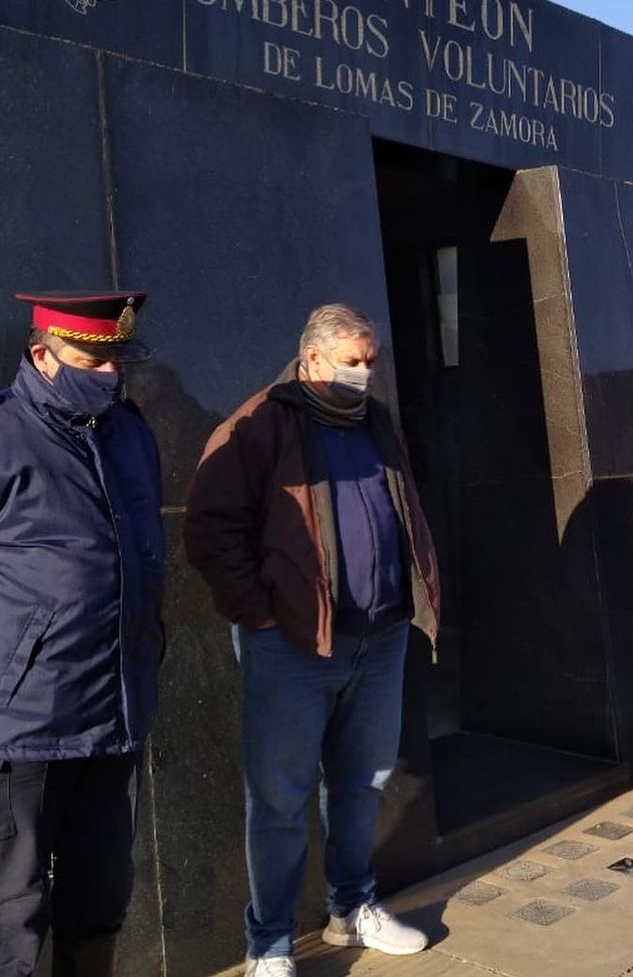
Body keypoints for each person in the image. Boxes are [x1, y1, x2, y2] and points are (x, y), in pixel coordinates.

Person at [183, 304, 440, 976]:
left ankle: (352, 909)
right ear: (314, 358)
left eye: (371, 362)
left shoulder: (375, 421)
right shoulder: (262, 422)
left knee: (362, 783)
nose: (364, 374)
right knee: (279, 799)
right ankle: (268, 944)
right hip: (294, 646)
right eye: (352, 362)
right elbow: (211, 528)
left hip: (378, 637)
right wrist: (260, 614)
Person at [0, 290, 164, 977]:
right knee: (15, 901)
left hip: (117, 703)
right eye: (87, 360)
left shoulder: (128, 431)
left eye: (114, 361)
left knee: (101, 889)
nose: (106, 374)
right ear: (41, 354)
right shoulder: (7, 434)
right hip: (27, 716)